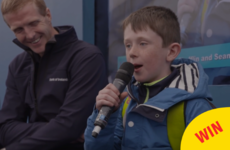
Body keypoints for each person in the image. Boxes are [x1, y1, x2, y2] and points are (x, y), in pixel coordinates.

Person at [84, 6, 214, 150]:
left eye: (143, 44)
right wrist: (104, 116)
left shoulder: (195, 107)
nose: (132, 52)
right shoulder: (126, 101)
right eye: (128, 45)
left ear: (171, 52)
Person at [0, 0, 107, 150]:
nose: (30, 35)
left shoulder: (86, 57)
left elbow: (70, 125)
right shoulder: (18, 66)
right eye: (19, 29)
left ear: (48, 15)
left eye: (33, 23)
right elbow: (4, 129)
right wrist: (60, 130)